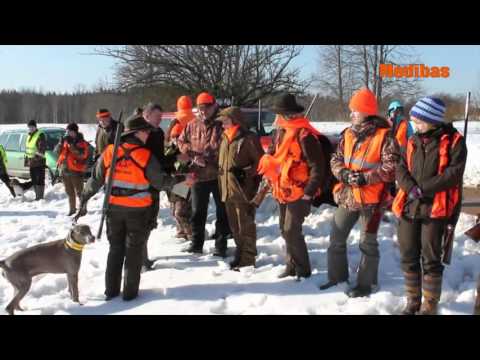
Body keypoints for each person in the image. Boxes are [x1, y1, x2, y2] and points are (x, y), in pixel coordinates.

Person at [76, 115, 175, 301]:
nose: (148, 135)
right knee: (133, 252)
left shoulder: (110, 152)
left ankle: (111, 292)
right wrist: (184, 183)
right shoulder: (145, 155)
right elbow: (161, 182)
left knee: (115, 250)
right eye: (145, 131)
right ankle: (130, 295)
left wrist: (84, 199)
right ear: (136, 133)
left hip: (113, 210)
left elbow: (95, 180)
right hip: (138, 212)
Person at [320, 88, 398, 297]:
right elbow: (335, 159)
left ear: (366, 111)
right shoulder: (347, 133)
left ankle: (366, 284)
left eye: (355, 110)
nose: (351, 113)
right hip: (348, 196)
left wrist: (365, 178)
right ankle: (337, 279)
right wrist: (344, 175)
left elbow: (391, 169)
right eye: (351, 110)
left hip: (373, 201)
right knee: (336, 238)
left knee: (368, 244)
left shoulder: (385, 136)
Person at [392, 97, 467, 315]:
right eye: (413, 119)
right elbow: (400, 166)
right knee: (408, 252)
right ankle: (412, 300)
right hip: (409, 205)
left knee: (431, 257)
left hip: (436, 208)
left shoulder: (454, 141)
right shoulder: (413, 139)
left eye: (419, 120)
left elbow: (453, 174)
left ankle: (430, 304)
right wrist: (410, 188)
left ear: (432, 120)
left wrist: (422, 189)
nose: (415, 123)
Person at [257, 93, 327, 279]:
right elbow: (274, 154)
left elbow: (317, 167)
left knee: (291, 230)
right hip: (282, 189)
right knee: (284, 229)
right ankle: (291, 265)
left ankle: (303, 271)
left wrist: (308, 192)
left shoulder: (305, 136)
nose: (276, 118)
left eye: (279, 114)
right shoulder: (280, 132)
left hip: (300, 191)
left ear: (287, 114)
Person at [177, 92, 231, 257]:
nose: (203, 111)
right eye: (200, 108)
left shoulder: (222, 124)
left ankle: (220, 246)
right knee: (197, 212)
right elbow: (181, 142)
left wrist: (207, 159)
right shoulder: (192, 124)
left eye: (207, 107)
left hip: (218, 175)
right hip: (198, 176)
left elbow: (228, 148)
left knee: (223, 213)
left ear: (214, 105)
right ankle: (196, 244)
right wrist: (192, 155)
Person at [218, 106, 264, 270]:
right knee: (235, 227)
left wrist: (246, 172)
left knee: (246, 226)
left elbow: (261, 162)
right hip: (227, 190)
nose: (222, 124)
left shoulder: (248, 138)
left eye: (225, 120)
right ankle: (240, 254)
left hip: (244, 191)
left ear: (235, 120)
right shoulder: (224, 138)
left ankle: (248, 259)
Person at [165, 96, 196, 240]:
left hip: (178, 170)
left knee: (178, 204)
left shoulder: (175, 121)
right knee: (183, 202)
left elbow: (168, 143)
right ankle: (184, 231)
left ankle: (188, 233)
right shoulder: (196, 120)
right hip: (191, 169)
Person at [141, 102, 166, 271]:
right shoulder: (141, 133)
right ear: (147, 115)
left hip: (155, 183)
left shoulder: (159, 133)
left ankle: (143, 256)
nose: (159, 120)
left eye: (161, 117)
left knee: (150, 222)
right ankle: (141, 259)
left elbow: (160, 158)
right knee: (142, 223)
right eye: (157, 117)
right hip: (141, 184)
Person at [54, 123, 90, 216]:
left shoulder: (81, 142)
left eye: (70, 131)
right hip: (65, 170)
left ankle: (83, 209)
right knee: (69, 192)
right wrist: (60, 143)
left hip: (76, 171)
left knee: (80, 192)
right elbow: (56, 152)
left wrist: (71, 145)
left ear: (75, 132)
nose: (68, 133)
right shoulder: (65, 141)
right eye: (67, 131)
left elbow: (82, 155)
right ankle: (72, 209)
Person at [24, 119, 47, 200]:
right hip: (31, 162)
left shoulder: (40, 135)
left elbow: (41, 150)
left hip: (39, 162)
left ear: (35, 127)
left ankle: (40, 197)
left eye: (32, 127)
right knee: (34, 179)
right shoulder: (29, 135)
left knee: (39, 180)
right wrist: (27, 161)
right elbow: (28, 150)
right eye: (29, 127)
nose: (31, 128)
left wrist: (35, 158)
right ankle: (37, 196)